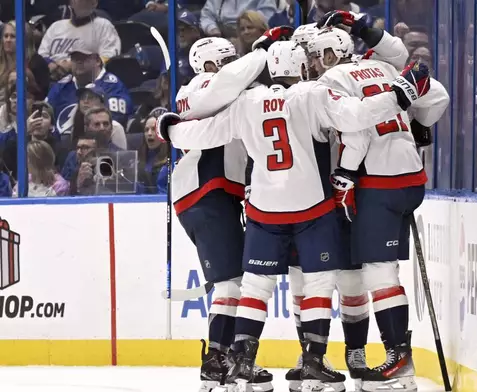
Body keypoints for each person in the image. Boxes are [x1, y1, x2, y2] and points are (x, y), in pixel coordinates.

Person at [157, 38, 430, 392]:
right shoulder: (312, 94)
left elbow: (206, 132)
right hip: (311, 207)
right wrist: (399, 96)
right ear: (301, 67)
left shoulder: (245, 102)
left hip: (264, 210)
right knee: (317, 282)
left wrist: (170, 128)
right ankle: (314, 361)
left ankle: (241, 361)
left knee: (255, 286)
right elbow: (358, 116)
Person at [306, 14, 448, 391]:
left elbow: (358, 132)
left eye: (317, 56)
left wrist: (346, 177)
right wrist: (420, 122)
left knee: (379, 272)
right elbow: (438, 97)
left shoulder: (332, 81)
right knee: (377, 269)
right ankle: (393, 355)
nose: (314, 63)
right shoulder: (383, 66)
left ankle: (399, 362)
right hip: (411, 178)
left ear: (327, 55)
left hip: (378, 182)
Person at [173, 36, 271, 392]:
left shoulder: (214, 89)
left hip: (210, 193)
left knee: (234, 281)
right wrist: (262, 53)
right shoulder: (201, 86)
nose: (233, 65)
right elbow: (228, 84)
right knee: (232, 282)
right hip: (207, 190)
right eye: (226, 60)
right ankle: (218, 361)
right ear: (208, 65)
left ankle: (223, 358)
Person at [47, 40, 133, 135]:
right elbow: (46, 114)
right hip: (61, 143)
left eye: (84, 58)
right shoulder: (61, 87)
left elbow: (113, 122)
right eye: (75, 58)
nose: (79, 61)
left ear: (97, 61)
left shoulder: (112, 86)